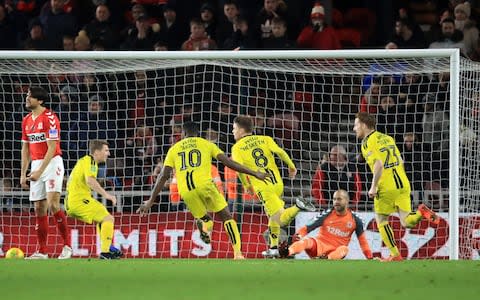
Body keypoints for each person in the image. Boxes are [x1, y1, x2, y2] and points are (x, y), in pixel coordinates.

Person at [137, 121, 269, 259]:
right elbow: (229, 162)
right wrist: (254, 173)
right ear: (198, 133)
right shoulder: (207, 144)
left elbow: (163, 176)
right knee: (227, 217)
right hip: (205, 185)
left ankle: (205, 226)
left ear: (183, 134)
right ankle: (237, 253)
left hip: (186, 191)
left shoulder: (174, 149)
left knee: (205, 218)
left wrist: (151, 200)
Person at [353, 112, 440, 261]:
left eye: (355, 125)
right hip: (403, 183)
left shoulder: (367, 143)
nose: (354, 129)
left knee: (381, 220)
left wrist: (373, 187)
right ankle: (421, 211)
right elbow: (400, 160)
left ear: (363, 125)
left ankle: (395, 255)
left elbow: (379, 164)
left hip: (386, 186)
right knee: (406, 221)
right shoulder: (388, 138)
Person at [231, 115, 316, 258]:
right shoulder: (265, 139)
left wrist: (247, 185)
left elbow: (239, 168)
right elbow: (281, 152)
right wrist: (292, 166)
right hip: (277, 182)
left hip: (263, 186)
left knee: (279, 218)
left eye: (234, 129)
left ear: (240, 130)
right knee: (271, 216)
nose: (232, 131)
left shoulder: (237, 148)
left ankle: (298, 206)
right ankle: (273, 247)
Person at [20, 86, 72, 259]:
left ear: (40, 100)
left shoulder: (50, 118)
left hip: (52, 163)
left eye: (30, 96)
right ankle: (42, 251)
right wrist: (23, 173)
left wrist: (40, 171)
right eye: (27, 96)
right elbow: (25, 149)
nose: (27, 99)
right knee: (39, 208)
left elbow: (52, 148)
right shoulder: (26, 120)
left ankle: (67, 247)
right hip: (35, 164)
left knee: (52, 204)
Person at [65, 140, 122, 259]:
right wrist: (107, 195)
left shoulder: (84, 161)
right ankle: (105, 252)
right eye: (106, 150)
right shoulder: (90, 161)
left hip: (72, 203)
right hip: (79, 201)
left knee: (102, 218)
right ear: (96, 152)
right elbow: (90, 180)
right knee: (108, 218)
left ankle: (108, 247)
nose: (109, 153)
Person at [279, 190, 372, 260]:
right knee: (306, 241)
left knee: (344, 249)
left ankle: (326, 259)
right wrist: (299, 235)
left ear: (347, 201)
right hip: (319, 246)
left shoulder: (356, 219)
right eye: (334, 199)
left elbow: (363, 241)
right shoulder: (327, 214)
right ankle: (287, 252)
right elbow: (308, 228)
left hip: (335, 252)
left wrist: (369, 257)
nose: (336, 202)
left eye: (339, 199)